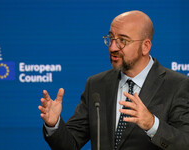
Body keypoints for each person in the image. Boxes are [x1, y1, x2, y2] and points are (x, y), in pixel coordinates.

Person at [38, 10, 189, 150]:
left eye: (122, 40)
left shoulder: (177, 85)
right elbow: (70, 144)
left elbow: (185, 143)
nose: (112, 47)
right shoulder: (96, 84)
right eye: (111, 38)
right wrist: (54, 125)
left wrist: (152, 124)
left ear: (145, 46)